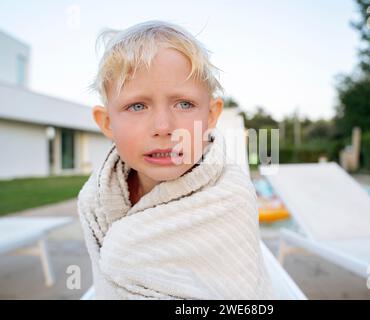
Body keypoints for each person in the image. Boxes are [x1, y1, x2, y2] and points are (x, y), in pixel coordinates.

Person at [77, 20, 275, 299]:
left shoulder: (231, 195)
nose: (163, 126)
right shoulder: (94, 199)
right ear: (107, 122)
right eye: (137, 106)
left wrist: (123, 253)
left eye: (184, 104)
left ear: (210, 116)